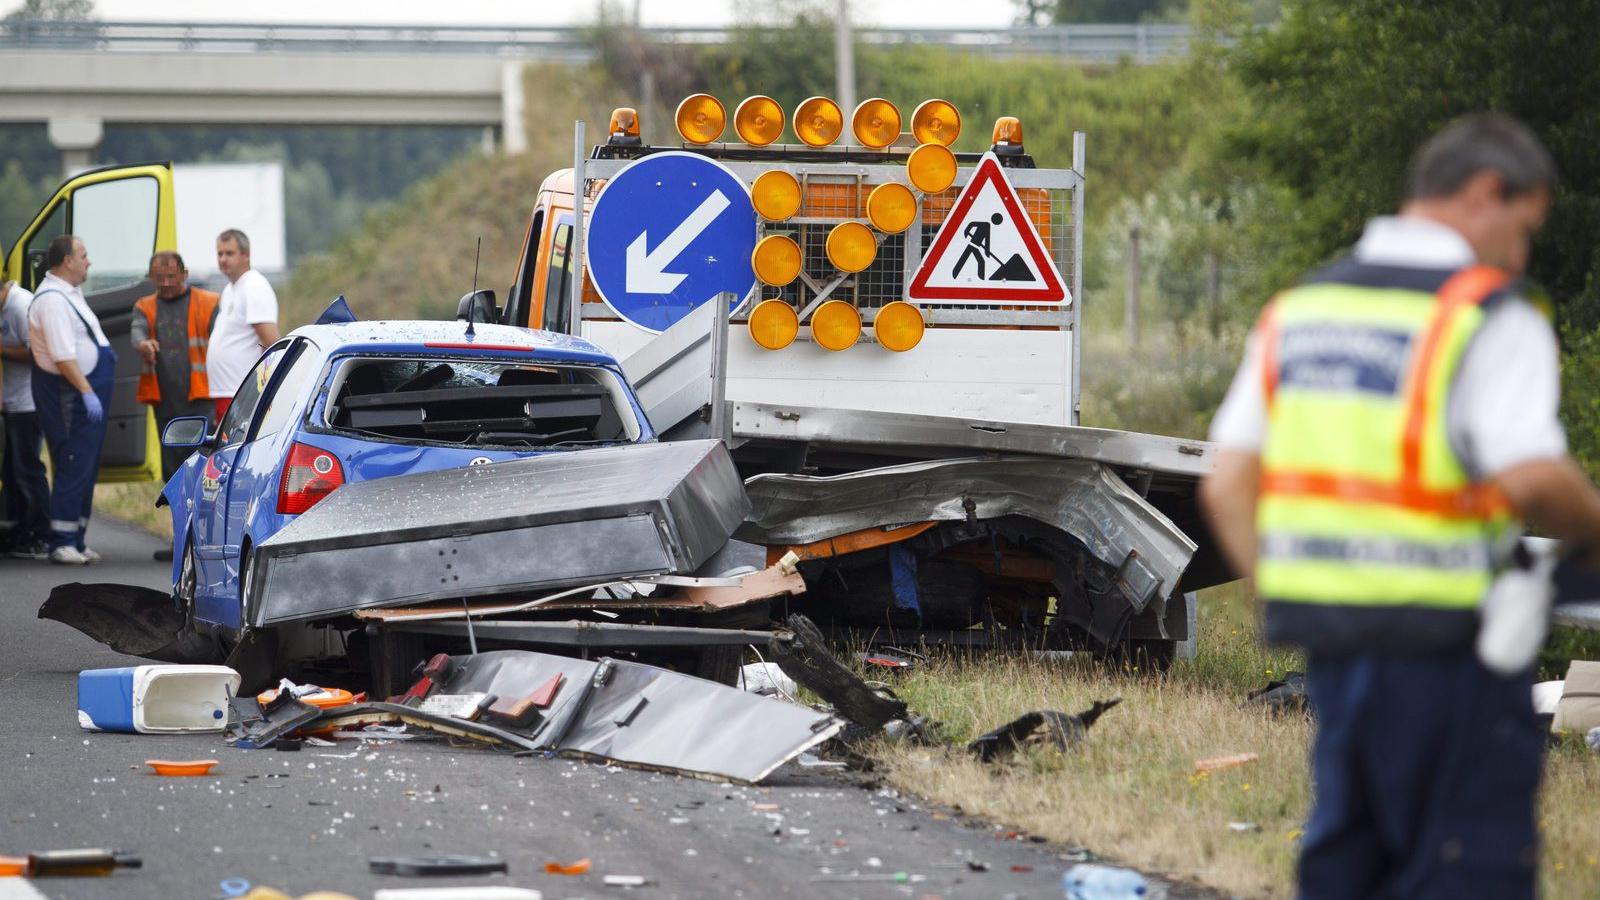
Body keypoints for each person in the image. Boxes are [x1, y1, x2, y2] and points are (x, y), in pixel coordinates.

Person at [1200, 114, 1600, 899]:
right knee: (1462, 870)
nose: (1521, 253)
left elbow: (1226, 480)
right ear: (1488, 193)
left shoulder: (1301, 310)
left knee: (1351, 864)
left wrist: (1285, 596)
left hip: (1334, 654)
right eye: (1524, 229)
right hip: (1452, 655)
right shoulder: (1485, 312)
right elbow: (1530, 475)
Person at [28, 234, 116, 566]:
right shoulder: (51, 300)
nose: (88, 261)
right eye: (83, 254)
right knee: (71, 462)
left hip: (84, 392)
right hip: (69, 393)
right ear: (67, 260)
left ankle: (76, 537)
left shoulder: (70, 294)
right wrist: (86, 391)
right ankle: (62, 541)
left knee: (86, 465)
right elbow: (63, 357)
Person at [132, 251, 220, 482]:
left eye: (171, 276)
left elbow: (223, 341)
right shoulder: (145, 306)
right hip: (166, 401)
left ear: (184, 274)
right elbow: (137, 332)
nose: (166, 283)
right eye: (159, 277)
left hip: (201, 398)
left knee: (202, 460)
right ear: (150, 276)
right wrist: (143, 344)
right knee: (172, 466)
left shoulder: (209, 303)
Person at [1, 277, 51, 559]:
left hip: (29, 401)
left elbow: (37, 352)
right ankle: (20, 531)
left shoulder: (21, 306)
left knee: (28, 470)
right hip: (12, 402)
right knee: (11, 471)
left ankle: (40, 534)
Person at [207, 229, 279, 421]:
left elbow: (270, 343)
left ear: (246, 255)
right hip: (226, 391)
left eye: (229, 253)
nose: (223, 259)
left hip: (242, 393)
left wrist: (261, 392)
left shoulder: (254, 286)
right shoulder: (230, 289)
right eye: (219, 254)